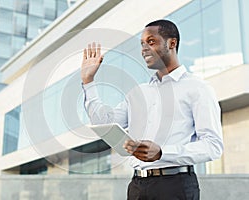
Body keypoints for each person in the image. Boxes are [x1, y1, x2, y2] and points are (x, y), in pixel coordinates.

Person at [81, 19, 223, 200]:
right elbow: (104, 123)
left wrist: (163, 152)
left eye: (151, 41)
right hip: (137, 186)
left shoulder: (198, 88)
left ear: (172, 43)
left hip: (175, 186)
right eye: (142, 44)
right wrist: (88, 81)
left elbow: (213, 146)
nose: (144, 49)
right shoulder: (138, 92)